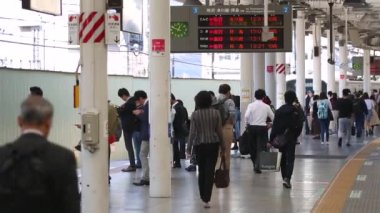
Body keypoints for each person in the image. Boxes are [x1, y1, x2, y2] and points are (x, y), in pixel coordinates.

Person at [0, 96, 80, 213]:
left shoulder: (2, 155)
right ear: (49, 123)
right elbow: (71, 207)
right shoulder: (63, 158)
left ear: (19, 121)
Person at [187, 91, 225, 208]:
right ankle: (207, 198)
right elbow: (219, 131)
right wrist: (223, 145)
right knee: (210, 171)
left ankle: (203, 196)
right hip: (213, 144)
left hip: (200, 145)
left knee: (202, 170)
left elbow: (192, 133)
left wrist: (189, 148)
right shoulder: (216, 113)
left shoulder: (195, 114)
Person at [270, 91, 304, 189]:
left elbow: (275, 126)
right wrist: (295, 135)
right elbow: (300, 124)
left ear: (285, 99)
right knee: (290, 158)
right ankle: (287, 178)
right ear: (294, 98)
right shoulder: (296, 110)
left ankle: (284, 177)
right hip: (291, 137)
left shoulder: (280, 110)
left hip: (281, 138)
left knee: (283, 157)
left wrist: (272, 139)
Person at [244, 89, 274, 173]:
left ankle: (255, 164)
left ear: (254, 96)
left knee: (252, 147)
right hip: (262, 128)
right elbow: (273, 117)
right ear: (264, 97)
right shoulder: (266, 106)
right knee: (261, 147)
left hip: (252, 127)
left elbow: (246, 116)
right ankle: (258, 164)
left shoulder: (250, 105)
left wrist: (247, 124)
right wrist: (270, 124)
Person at [132, 90, 150, 186]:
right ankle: (147, 177)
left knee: (142, 154)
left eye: (138, 101)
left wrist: (138, 113)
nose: (138, 103)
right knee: (143, 154)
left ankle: (146, 178)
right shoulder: (148, 104)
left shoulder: (148, 104)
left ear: (140, 98)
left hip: (147, 134)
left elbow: (146, 119)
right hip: (149, 134)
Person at [118, 88, 137, 172]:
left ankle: (132, 165)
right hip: (133, 127)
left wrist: (119, 108)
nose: (122, 99)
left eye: (121, 97)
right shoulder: (133, 101)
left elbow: (121, 112)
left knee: (129, 146)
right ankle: (135, 163)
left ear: (124, 95)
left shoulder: (129, 103)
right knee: (134, 146)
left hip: (128, 127)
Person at [217, 84, 236, 171]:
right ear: (228, 91)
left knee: (217, 151)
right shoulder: (229, 101)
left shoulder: (215, 99)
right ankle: (225, 171)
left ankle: (216, 170)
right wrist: (232, 123)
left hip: (216, 128)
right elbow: (232, 114)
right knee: (226, 150)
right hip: (226, 127)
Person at [171, 94, 188, 168]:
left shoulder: (177, 108)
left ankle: (177, 162)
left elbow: (177, 120)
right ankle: (178, 160)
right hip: (180, 129)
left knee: (175, 146)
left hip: (177, 129)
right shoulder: (181, 107)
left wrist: (174, 129)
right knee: (177, 145)